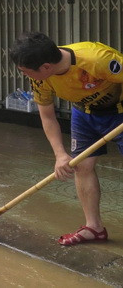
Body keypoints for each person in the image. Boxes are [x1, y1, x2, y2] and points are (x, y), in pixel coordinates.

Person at [11, 32, 123, 246]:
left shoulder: (96, 59)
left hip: (120, 110)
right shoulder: (42, 79)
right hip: (85, 113)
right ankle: (94, 228)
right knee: (81, 166)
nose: (27, 77)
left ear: (45, 67)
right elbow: (47, 115)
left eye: (26, 72)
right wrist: (59, 154)